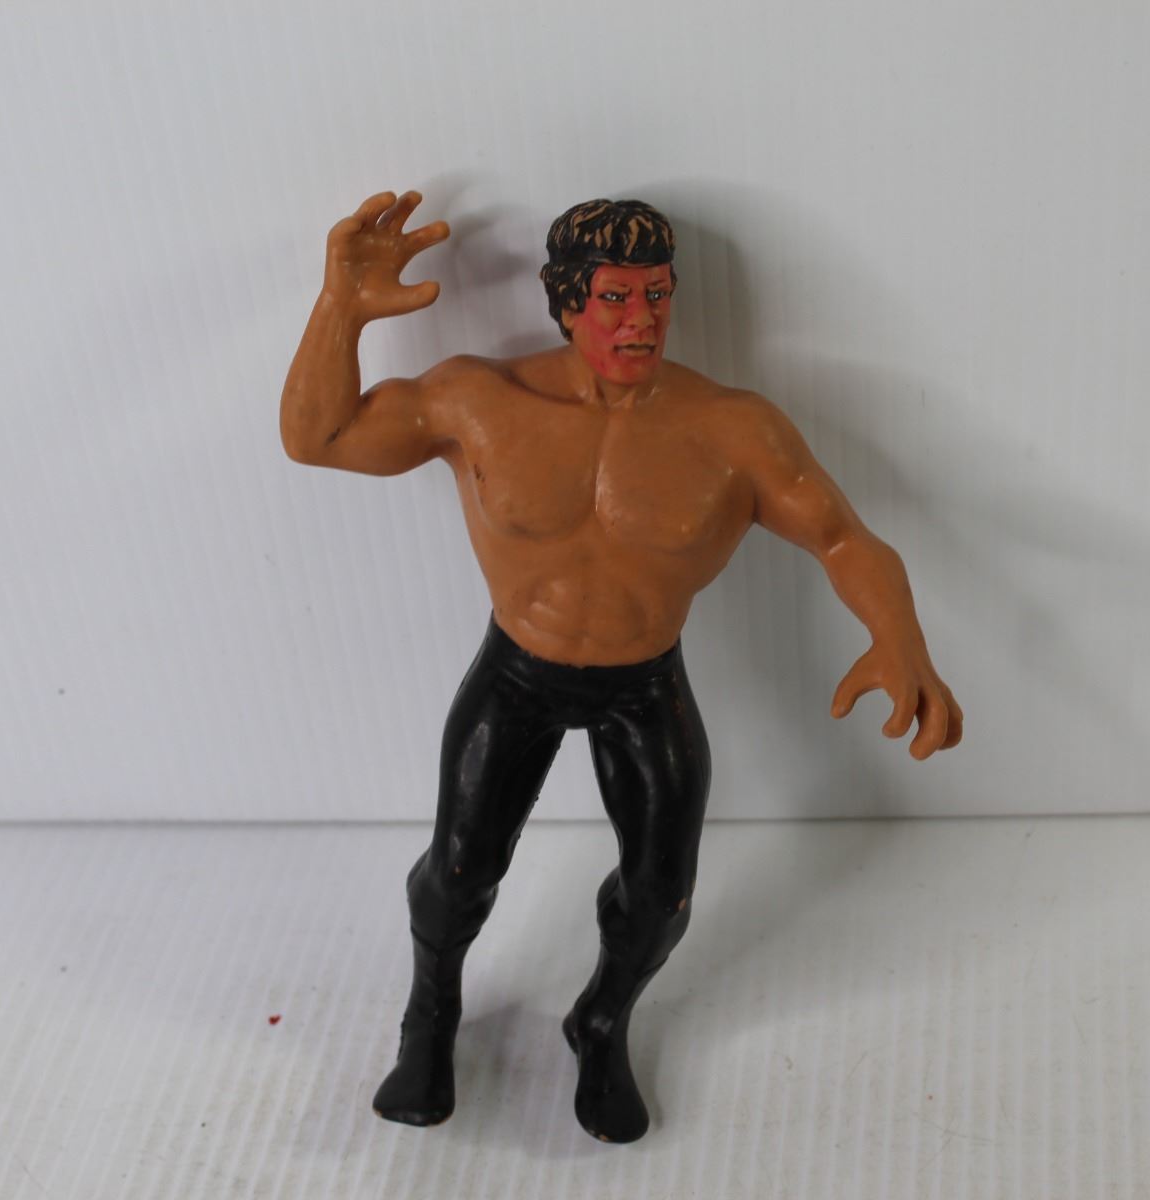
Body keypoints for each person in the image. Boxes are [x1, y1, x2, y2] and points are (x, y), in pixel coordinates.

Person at [282, 191, 962, 1143]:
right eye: (614, 298)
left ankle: (601, 1021)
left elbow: (844, 538)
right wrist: (340, 310)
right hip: (516, 672)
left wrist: (902, 640)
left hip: (642, 683)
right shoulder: (480, 399)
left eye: (657, 295)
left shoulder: (732, 428)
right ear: (567, 302)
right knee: (457, 873)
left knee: (661, 900)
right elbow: (318, 437)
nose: (640, 319)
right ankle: (430, 1014)